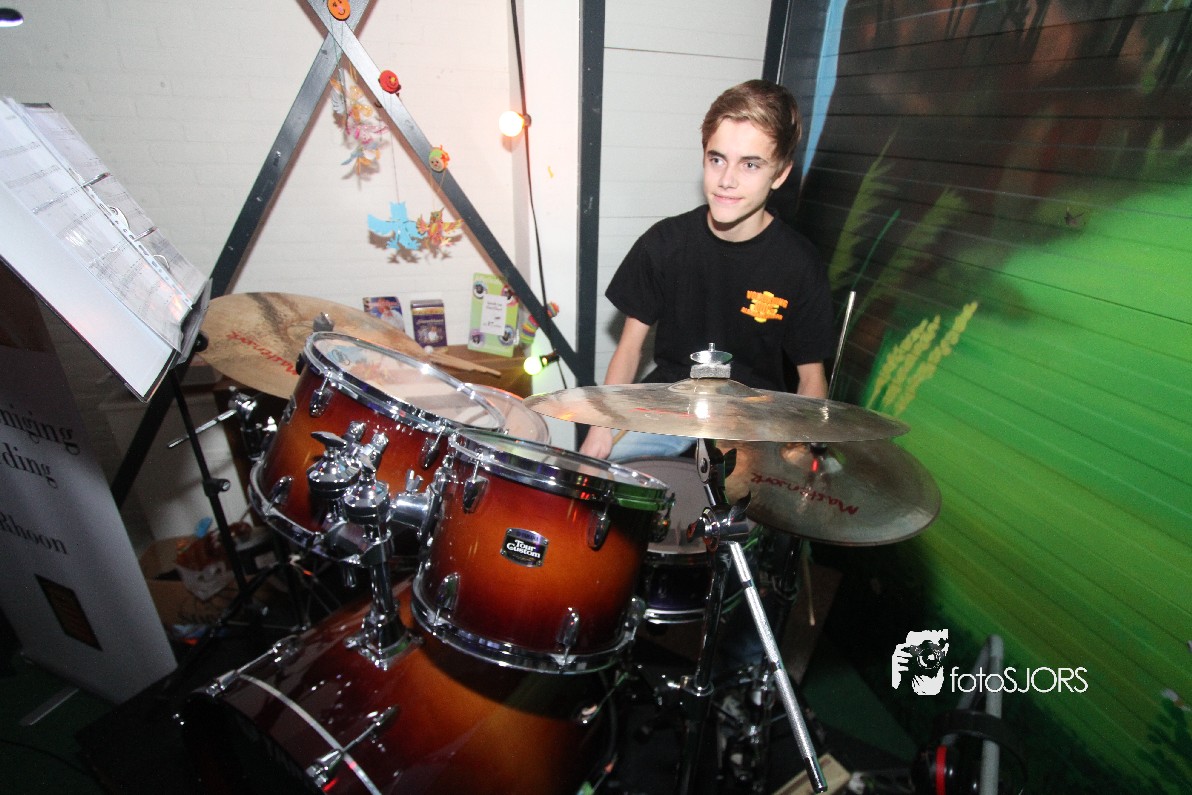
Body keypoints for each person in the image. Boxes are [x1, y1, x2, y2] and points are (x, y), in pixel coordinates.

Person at [579, 79, 837, 461]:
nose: (727, 180)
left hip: (752, 425)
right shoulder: (664, 243)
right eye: (717, 160)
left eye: (750, 165)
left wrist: (799, 452)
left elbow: (811, 377)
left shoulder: (799, 264)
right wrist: (601, 428)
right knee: (599, 475)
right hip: (668, 408)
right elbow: (629, 348)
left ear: (780, 174)